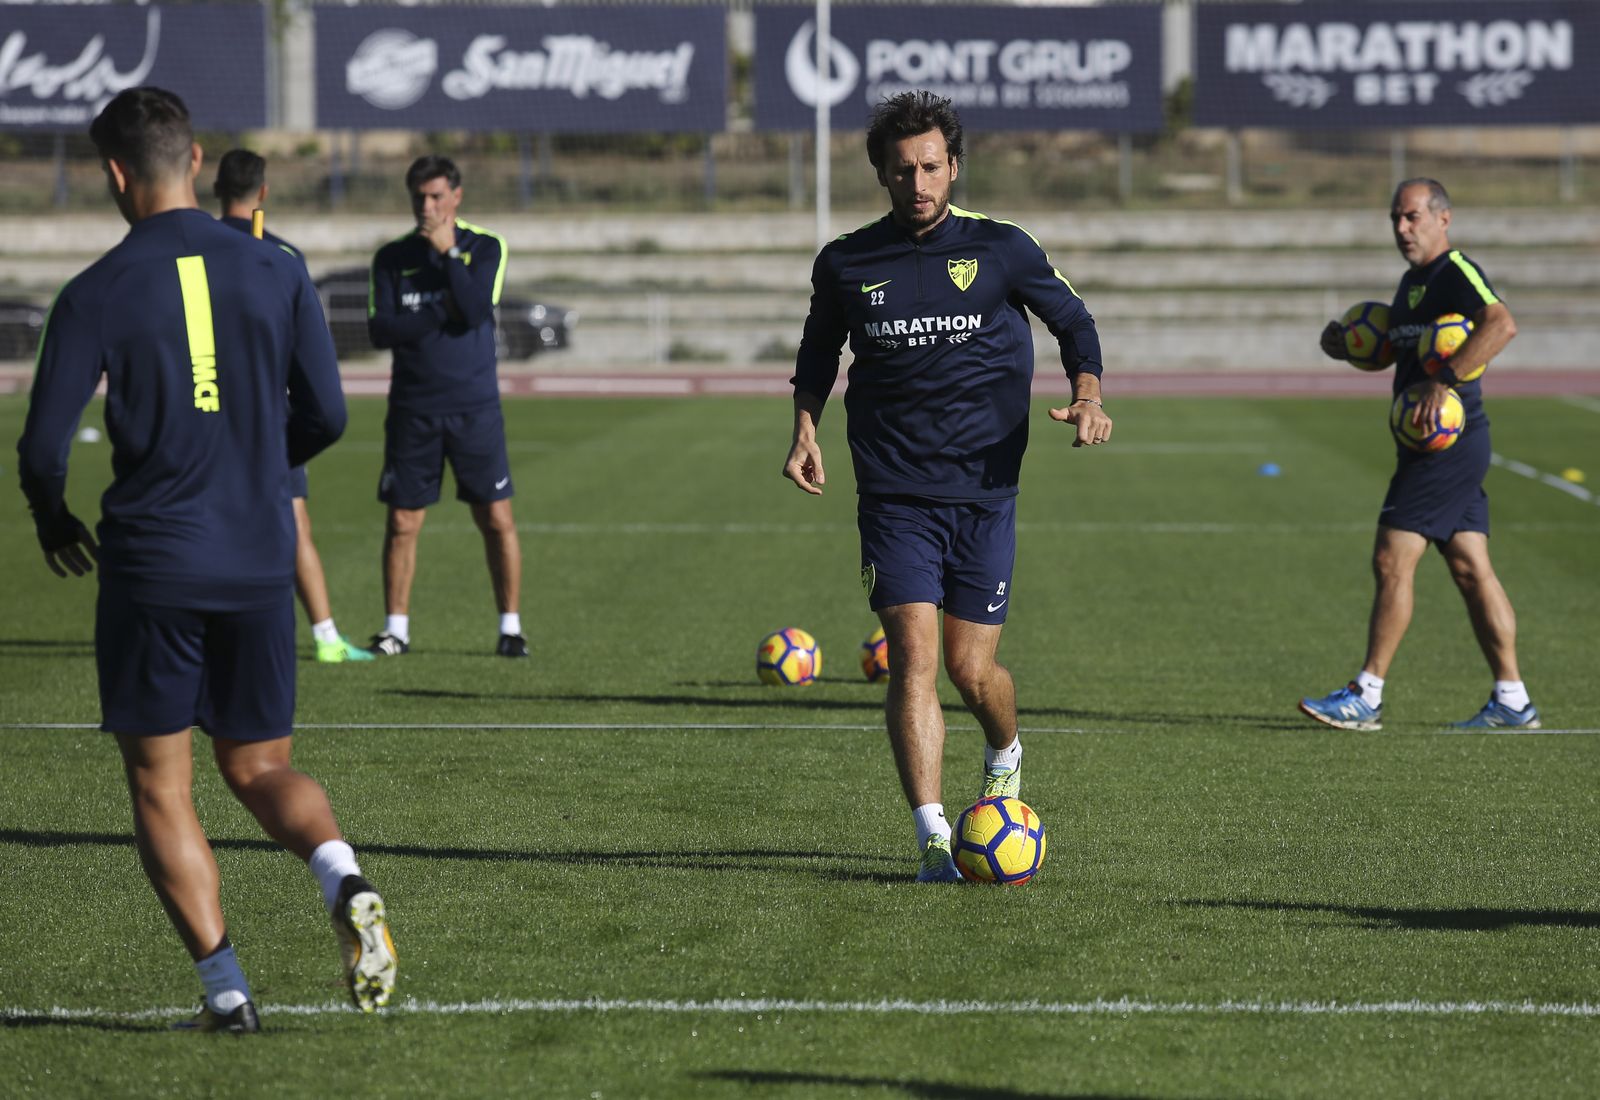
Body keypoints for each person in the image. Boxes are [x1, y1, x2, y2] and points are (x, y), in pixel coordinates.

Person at [16, 87, 397, 1032]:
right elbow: (334, 414)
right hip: (262, 553)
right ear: (193, 160)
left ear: (114, 174)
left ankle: (228, 993)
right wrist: (261, 462)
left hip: (154, 563)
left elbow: (42, 448)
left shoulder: (96, 288)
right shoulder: (275, 269)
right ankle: (342, 876)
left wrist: (52, 517)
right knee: (262, 765)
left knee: (160, 780)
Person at [782, 91, 1113, 883]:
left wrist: (1091, 394)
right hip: (894, 494)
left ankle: (1005, 749)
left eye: (932, 166)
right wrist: (803, 428)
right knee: (912, 662)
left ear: (954, 166)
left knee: (972, 672)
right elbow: (818, 351)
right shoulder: (847, 261)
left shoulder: (1002, 249)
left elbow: (1075, 323)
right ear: (882, 175)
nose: (919, 181)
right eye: (903, 170)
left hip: (986, 493)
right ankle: (933, 838)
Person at [1301, 178, 1537, 731]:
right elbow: (1400, 351)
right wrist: (1351, 348)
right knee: (1471, 569)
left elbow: (1502, 323)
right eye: (1395, 219)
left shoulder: (1456, 271)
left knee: (1391, 558)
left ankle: (1368, 693)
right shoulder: (1413, 282)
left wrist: (1446, 382)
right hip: (1431, 444)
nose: (1402, 228)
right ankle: (1513, 699)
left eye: (1411, 217)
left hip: (1447, 444)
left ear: (1443, 218)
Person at [213, 147, 373, 664]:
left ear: (216, 190)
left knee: (212, 520)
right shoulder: (282, 256)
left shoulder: (194, 250)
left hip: (205, 403)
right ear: (262, 192)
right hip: (270, 412)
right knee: (292, 522)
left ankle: (227, 632)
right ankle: (323, 636)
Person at [365, 154, 526, 658]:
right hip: (413, 408)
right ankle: (396, 629)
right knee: (402, 522)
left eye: (436, 196)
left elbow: (478, 308)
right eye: (419, 197)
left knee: (496, 519)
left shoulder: (485, 247)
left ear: (456, 197)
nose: (427, 206)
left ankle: (510, 627)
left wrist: (450, 255)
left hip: (474, 406)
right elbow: (382, 330)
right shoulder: (391, 258)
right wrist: (443, 311)